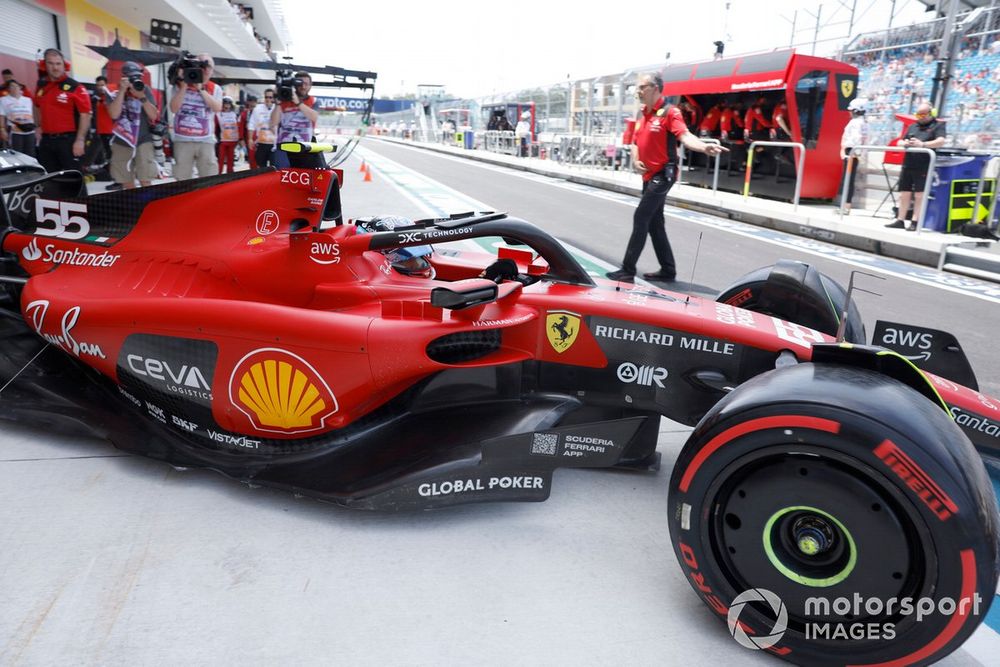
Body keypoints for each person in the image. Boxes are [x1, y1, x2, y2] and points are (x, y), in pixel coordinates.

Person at [605, 72, 726, 283]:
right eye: (638, 88)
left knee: (641, 217)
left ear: (656, 88)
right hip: (648, 176)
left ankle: (627, 270)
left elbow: (685, 136)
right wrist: (635, 161)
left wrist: (704, 147)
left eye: (642, 87)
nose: (638, 91)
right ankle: (668, 270)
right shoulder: (644, 115)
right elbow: (635, 143)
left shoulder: (671, 112)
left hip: (663, 175)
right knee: (654, 224)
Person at [885, 102, 946, 231]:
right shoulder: (913, 126)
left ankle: (915, 221)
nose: (920, 117)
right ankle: (900, 220)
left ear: (931, 113)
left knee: (919, 195)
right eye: (918, 114)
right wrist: (906, 143)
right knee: (904, 193)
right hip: (909, 163)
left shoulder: (938, 125)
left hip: (924, 164)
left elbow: (941, 141)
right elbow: (900, 142)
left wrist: (922, 145)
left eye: (923, 114)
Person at [168, 53, 223, 180]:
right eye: (202, 65)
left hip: (206, 140)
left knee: (209, 177)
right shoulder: (179, 84)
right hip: (182, 140)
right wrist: (183, 87)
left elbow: (217, 108)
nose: (205, 70)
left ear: (212, 71)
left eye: (208, 66)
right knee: (182, 179)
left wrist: (201, 89)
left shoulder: (215, 88)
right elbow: (173, 108)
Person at [106, 62, 159, 189]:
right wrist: (122, 90)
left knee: (146, 179)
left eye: (137, 77)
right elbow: (114, 114)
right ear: (123, 77)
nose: (135, 80)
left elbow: (153, 116)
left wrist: (142, 97)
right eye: (131, 77)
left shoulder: (144, 89)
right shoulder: (113, 90)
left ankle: (148, 206)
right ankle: (133, 207)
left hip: (143, 140)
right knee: (126, 180)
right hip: (122, 140)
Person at [270, 72, 320, 168]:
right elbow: (273, 123)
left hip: (305, 147)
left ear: (310, 85)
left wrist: (298, 103)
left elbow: (314, 117)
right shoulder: (284, 98)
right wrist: (278, 103)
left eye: (306, 84)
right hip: (283, 147)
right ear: (294, 84)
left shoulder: (314, 100)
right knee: (281, 178)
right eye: (300, 83)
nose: (303, 86)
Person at [839, 98, 868, 213]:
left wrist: (852, 153)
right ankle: (846, 205)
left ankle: (846, 206)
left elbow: (855, 139)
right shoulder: (863, 123)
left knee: (848, 179)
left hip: (852, 152)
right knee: (848, 179)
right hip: (855, 153)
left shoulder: (856, 123)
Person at [0, 81, 36, 156]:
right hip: (15, 132)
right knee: (17, 154)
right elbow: (2, 116)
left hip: (29, 131)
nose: (15, 88)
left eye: (17, 86)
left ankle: (30, 168)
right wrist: (2, 129)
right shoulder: (3, 100)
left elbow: (33, 113)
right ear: (8, 89)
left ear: (20, 88)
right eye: (12, 86)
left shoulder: (28, 100)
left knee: (31, 154)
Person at [248, 88, 276, 168]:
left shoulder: (277, 108)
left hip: (273, 144)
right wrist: (250, 139)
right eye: (266, 97)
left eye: (270, 97)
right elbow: (251, 123)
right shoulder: (257, 108)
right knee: (261, 167)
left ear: (274, 98)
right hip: (261, 143)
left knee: (274, 168)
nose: (268, 99)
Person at [216, 96, 240, 173]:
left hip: (233, 141)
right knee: (220, 160)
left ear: (231, 105)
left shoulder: (235, 114)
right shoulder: (218, 114)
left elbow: (239, 126)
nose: (226, 106)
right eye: (225, 104)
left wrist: (240, 139)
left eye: (228, 104)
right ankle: (218, 175)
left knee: (230, 160)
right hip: (222, 141)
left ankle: (230, 176)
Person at [239, 94, 257, 168]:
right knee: (252, 161)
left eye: (254, 102)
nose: (252, 104)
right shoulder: (244, 114)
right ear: (248, 103)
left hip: (261, 139)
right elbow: (241, 128)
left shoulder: (261, 112)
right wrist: (241, 139)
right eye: (251, 102)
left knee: (261, 161)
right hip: (249, 140)